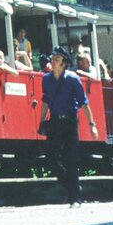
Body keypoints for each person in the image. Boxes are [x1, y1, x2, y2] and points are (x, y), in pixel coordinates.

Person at [38, 47, 98, 206]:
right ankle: (72, 187)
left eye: (57, 59)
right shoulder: (46, 79)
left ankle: (75, 198)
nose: (53, 60)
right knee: (51, 158)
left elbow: (84, 103)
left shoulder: (72, 79)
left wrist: (92, 125)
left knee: (70, 159)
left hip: (70, 122)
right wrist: (41, 121)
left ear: (64, 63)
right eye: (53, 58)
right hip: (55, 121)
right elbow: (45, 102)